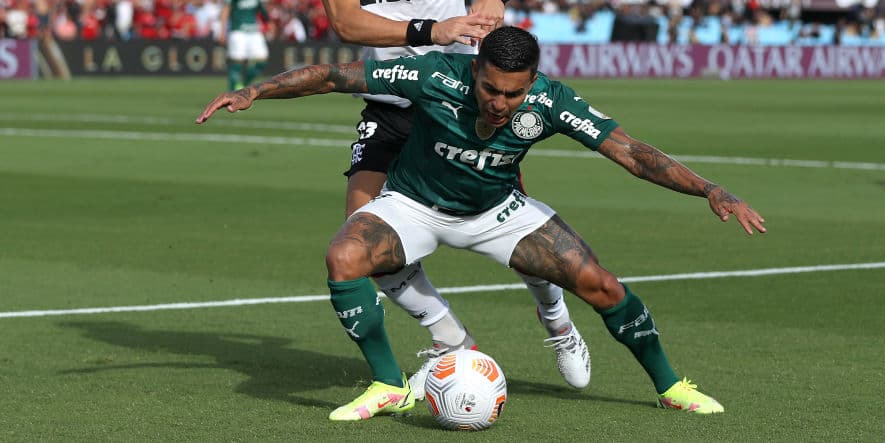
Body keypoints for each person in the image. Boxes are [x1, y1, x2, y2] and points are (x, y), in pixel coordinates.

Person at [196, 26, 767, 421]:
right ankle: (390, 385)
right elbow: (333, 75)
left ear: (532, 82)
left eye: (513, 93)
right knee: (344, 256)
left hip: (498, 212)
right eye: (490, 88)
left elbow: (631, 152)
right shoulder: (433, 75)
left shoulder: (551, 101)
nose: (498, 102)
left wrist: (709, 189)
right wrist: (255, 90)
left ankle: (670, 386)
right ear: (475, 69)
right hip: (412, 204)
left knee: (602, 285)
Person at [301, 0, 588, 398]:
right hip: (391, 98)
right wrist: (432, 29)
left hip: (461, 98)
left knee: (521, 233)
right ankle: (450, 337)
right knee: (360, 237)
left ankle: (556, 319)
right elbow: (347, 22)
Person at [220, 0, 269, 91]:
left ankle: (243, 85)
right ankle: (232, 94)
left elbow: (260, 6)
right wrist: (222, 30)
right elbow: (226, 8)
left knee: (262, 61)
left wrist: (267, 20)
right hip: (238, 30)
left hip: (254, 30)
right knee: (237, 63)